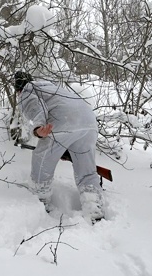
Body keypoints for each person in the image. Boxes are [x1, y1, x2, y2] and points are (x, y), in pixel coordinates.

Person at [14, 71, 104, 222]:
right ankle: (94, 206)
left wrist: (38, 128)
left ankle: (39, 201)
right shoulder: (52, 88)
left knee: (42, 159)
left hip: (62, 121)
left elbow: (37, 107)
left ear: (18, 88)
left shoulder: (28, 90)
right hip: (89, 122)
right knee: (86, 170)